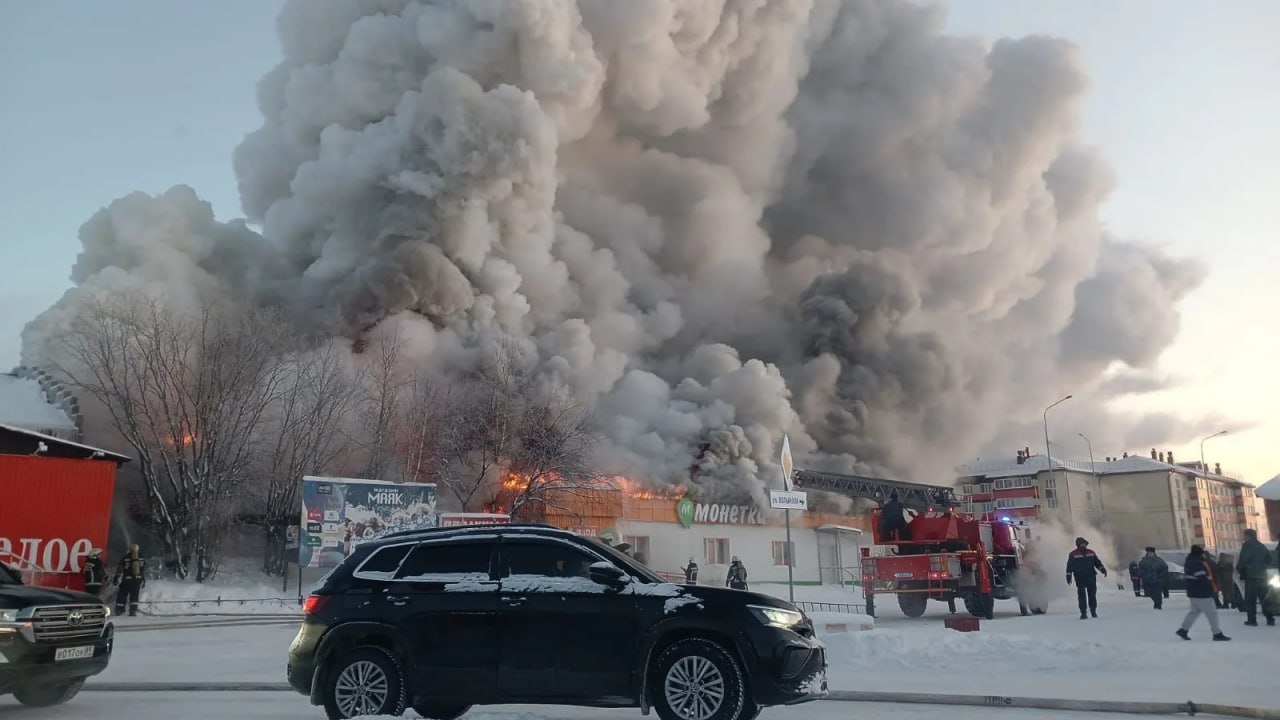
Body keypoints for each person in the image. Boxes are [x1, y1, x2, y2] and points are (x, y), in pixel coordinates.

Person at [1176, 545, 1231, 641]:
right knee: (1212, 613)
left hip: (1193, 592)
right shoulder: (1197, 563)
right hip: (1202, 592)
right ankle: (1217, 633)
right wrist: (1210, 589)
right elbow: (1202, 578)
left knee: (1194, 612)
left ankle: (1183, 629)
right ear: (1199, 554)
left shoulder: (1189, 561)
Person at [1237, 528, 1276, 627]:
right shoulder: (1262, 546)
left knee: (1251, 599)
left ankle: (1252, 620)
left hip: (1251, 576)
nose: (1244, 537)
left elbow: (1243, 559)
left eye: (1245, 535)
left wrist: (1240, 569)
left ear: (1249, 536)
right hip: (1262, 576)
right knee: (1264, 598)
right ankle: (1270, 618)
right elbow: (1269, 559)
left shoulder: (1247, 545)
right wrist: (1262, 567)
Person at [1065, 536, 1107, 619]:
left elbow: (1097, 562)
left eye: (1084, 544)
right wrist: (1068, 575)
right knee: (1082, 595)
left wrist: (1102, 569)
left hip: (1091, 576)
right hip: (1079, 577)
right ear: (1078, 545)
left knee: (1092, 594)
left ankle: (1093, 611)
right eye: (1081, 544)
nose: (1083, 545)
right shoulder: (1073, 554)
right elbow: (1070, 566)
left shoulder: (1091, 552)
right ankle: (1083, 613)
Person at [113, 544, 147, 617]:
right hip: (137, 580)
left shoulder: (125, 557)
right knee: (134, 595)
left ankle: (119, 610)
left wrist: (116, 577)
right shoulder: (141, 557)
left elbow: (120, 568)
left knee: (122, 594)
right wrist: (143, 580)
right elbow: (142, 570)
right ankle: (133, 611)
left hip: (127, 580)